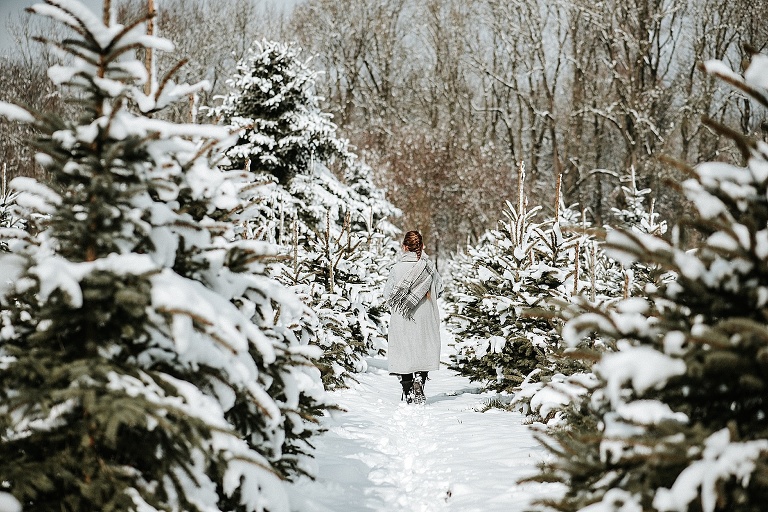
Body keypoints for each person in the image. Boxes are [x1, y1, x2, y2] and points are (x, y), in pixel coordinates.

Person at [383, 230, 443, 404]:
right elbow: (439, 290)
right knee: (423, 349)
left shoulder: (396, 269)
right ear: (422, 246)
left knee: (404, 352)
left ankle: (408, 390)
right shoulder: (429, 267)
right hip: (425, 317)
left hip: (402, 316)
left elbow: (387, 294)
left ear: (404, 247)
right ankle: (420, 380)